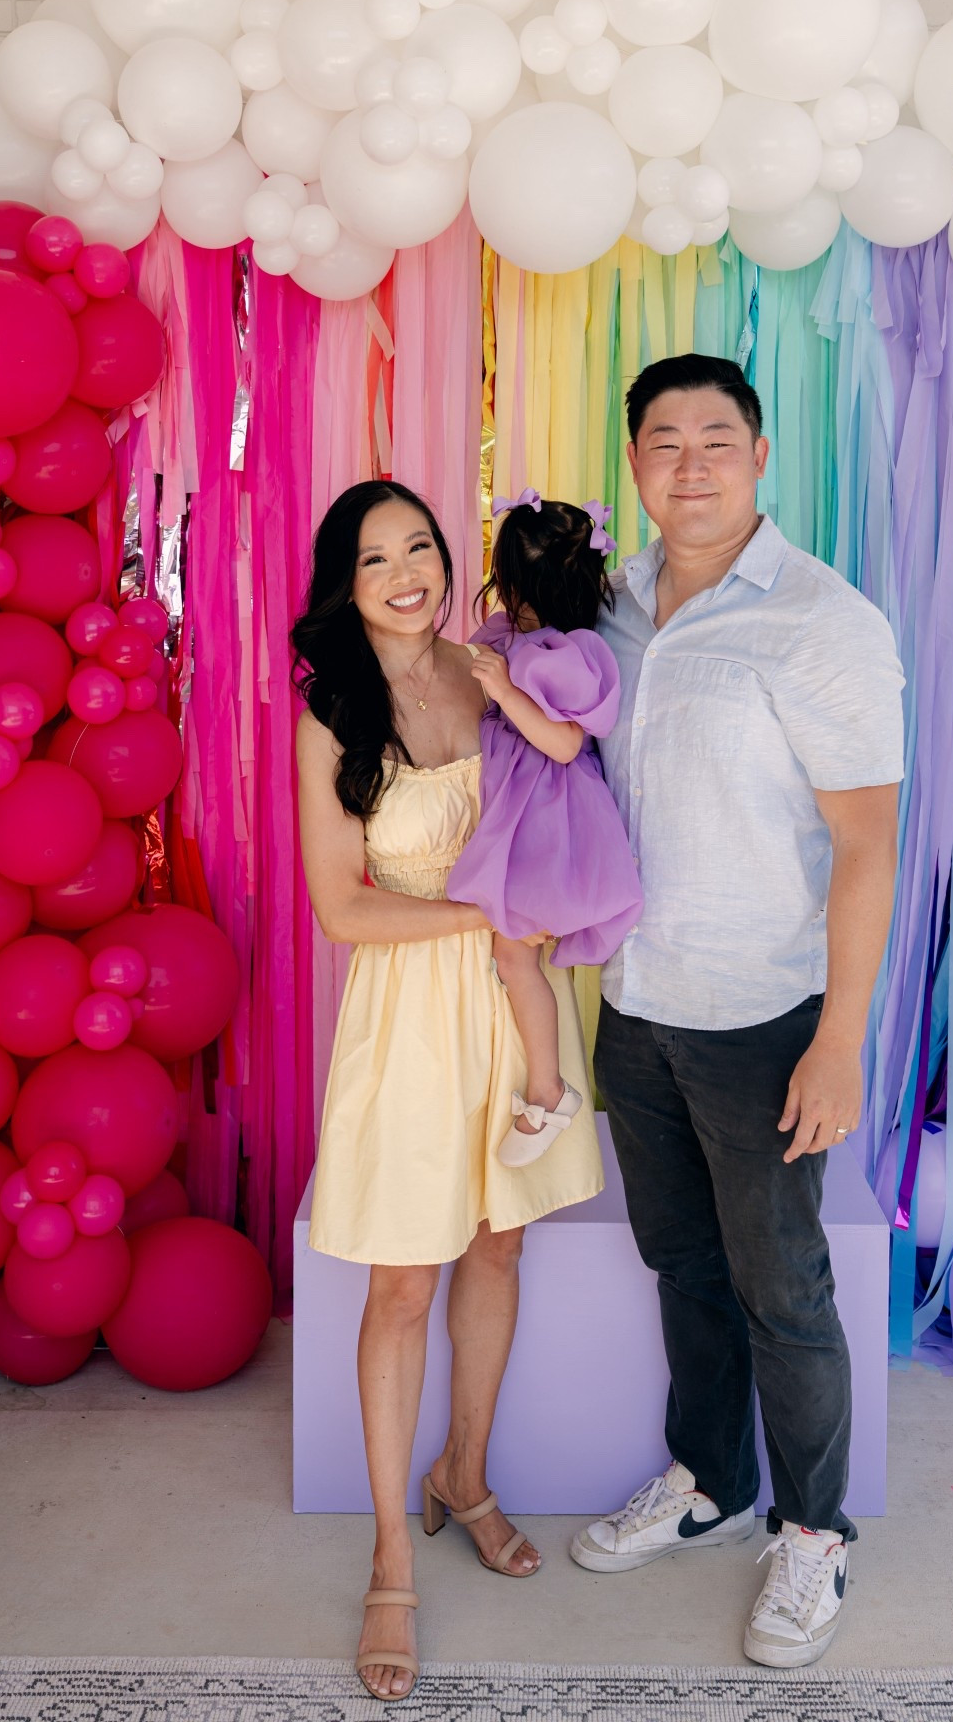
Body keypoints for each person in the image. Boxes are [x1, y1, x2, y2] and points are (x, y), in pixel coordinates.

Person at [569, 355, 904, 1672]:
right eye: (664, 441)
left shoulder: (823, 621)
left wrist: (839, 1041)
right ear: (636, 466)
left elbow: (868, 844)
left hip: (764, 1014)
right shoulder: (610, 610)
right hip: (636, 1006)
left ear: (760, 457)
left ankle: (813, 1535)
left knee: (784, 1289)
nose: (691, 462)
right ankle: (704, 1479)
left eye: (718, 437)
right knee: (682, 1265)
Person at [292, 479, 603, 1704]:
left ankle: (463, 1474)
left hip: (517, 1004)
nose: (409, 570)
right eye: (378, 559)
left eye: (421, 544)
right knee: (404, 1282)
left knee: (499, 1247)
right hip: (414, 1014)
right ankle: (386, 1556)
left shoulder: (490, 668)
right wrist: (487, 914)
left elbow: (570, 785)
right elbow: (342, 905)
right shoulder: (334, 710)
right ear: (347, 583)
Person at [446, 489, 644, 1166]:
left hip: (549, 820)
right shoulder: (509, 636)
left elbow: (561, 745)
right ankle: (538, 1083)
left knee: (511, 954)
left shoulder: (564, 651)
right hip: (516, 812)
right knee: (507, 956)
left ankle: (547, 1088)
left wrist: (504, 691)